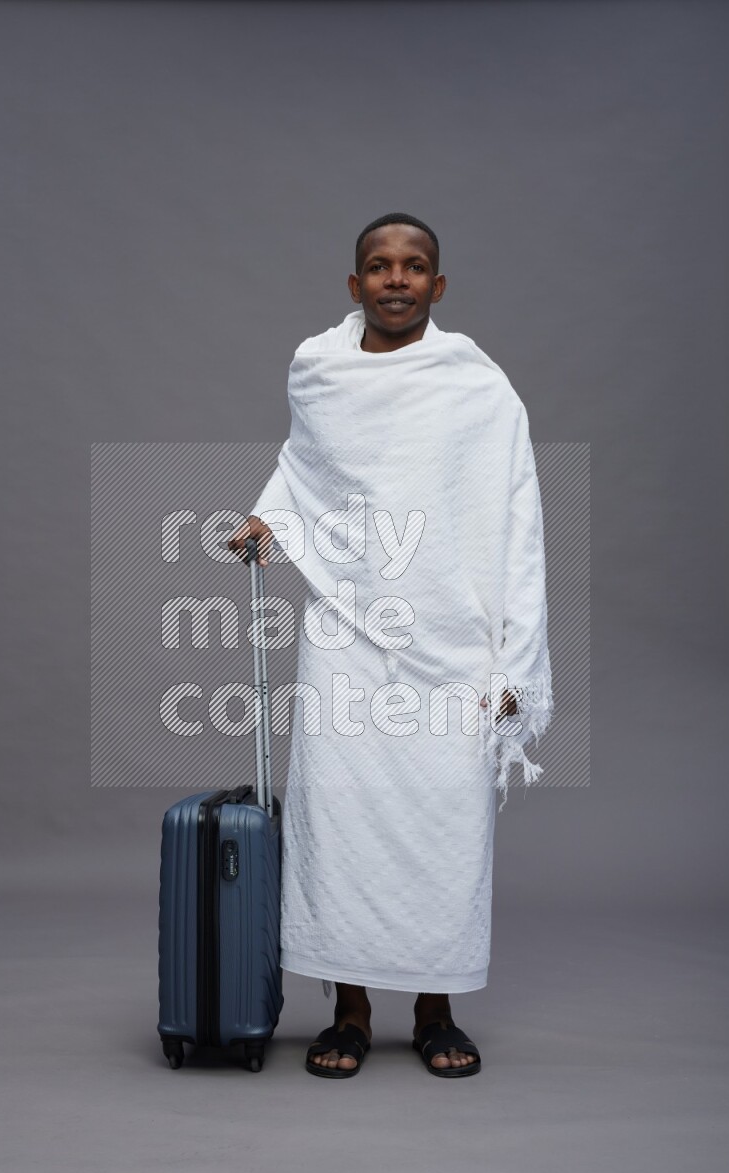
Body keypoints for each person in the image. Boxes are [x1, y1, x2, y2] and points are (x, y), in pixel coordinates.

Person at [228, 212, 553, 1078]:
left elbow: (514, 517)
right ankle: (350, 1012)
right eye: (380, 266)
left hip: (448, 643)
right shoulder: (319, 372)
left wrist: (512, 658)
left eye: (415, 268)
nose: (397, 280)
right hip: (346, 633)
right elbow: (307, 468)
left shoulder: (478, 388)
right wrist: (271, 516)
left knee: (442, 820)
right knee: (342, 819)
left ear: (438, 287)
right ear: (355, 284)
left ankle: (436, 1010)